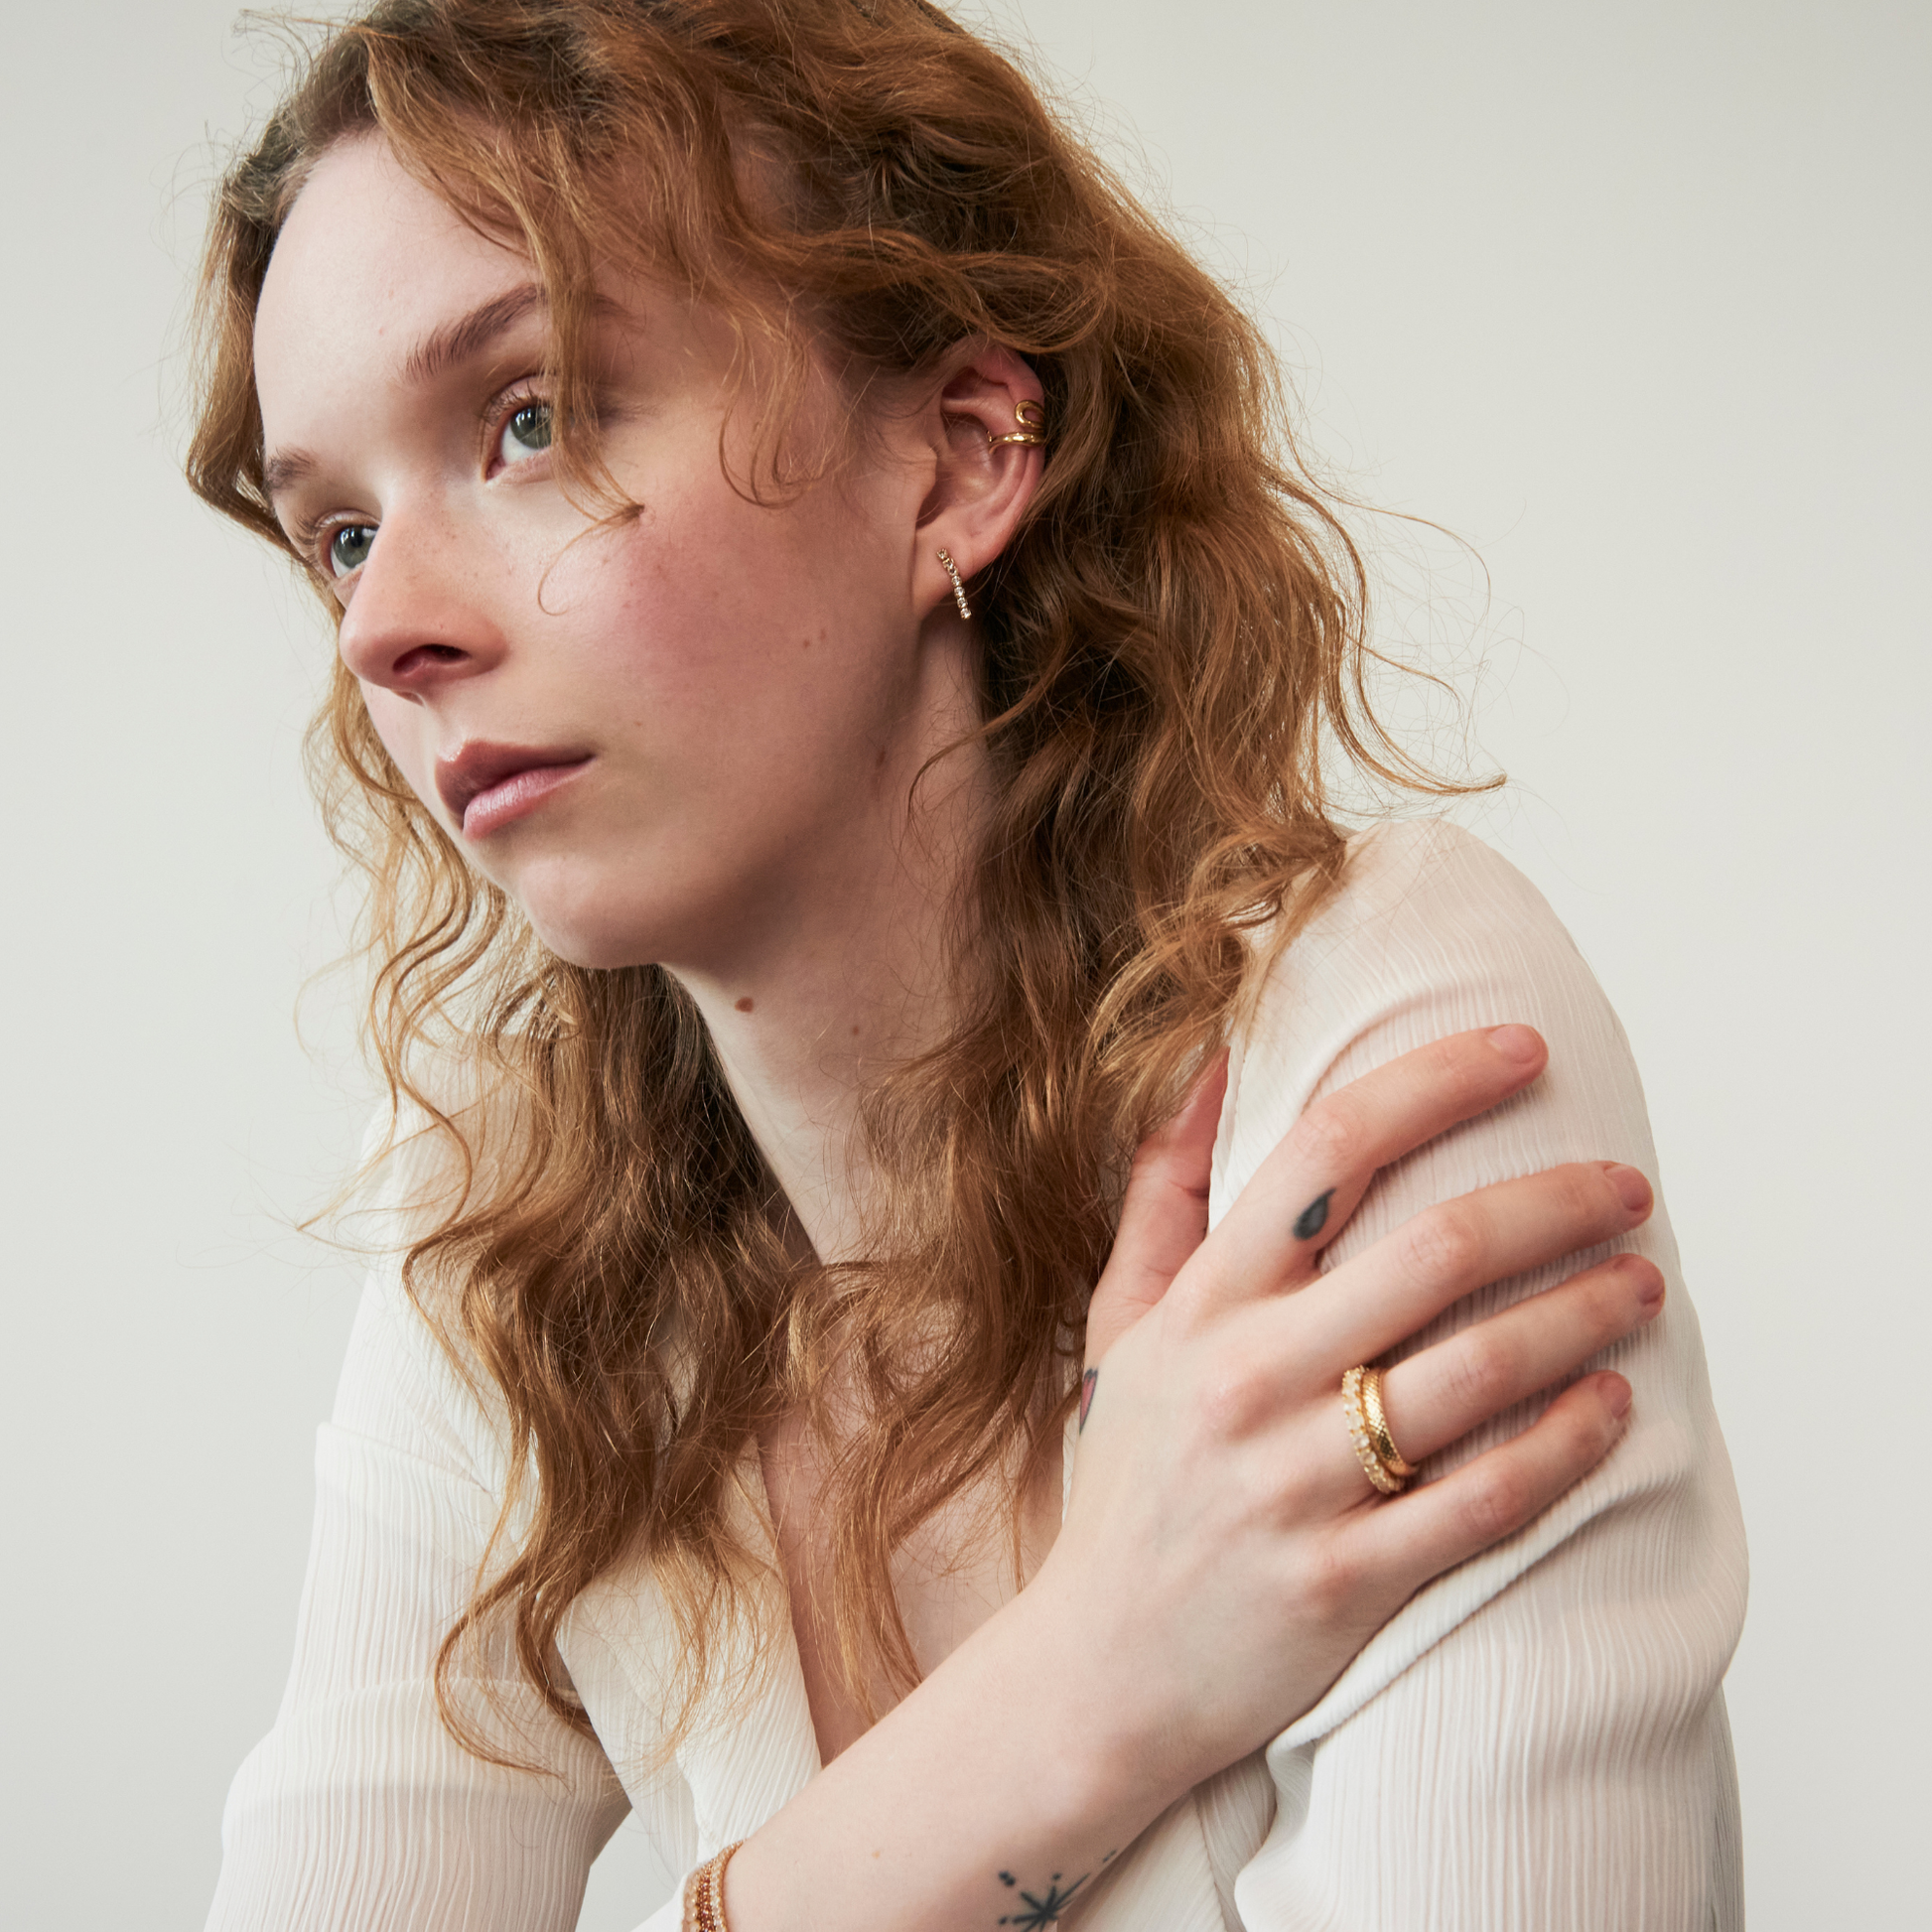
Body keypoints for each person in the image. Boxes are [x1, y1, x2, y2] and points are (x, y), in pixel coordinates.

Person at [191, 3, 1745, 1926]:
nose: (387, 630)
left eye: (530, 420)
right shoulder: (512, 1230)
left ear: (953, 461)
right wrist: (1078, 1691)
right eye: (337, 531)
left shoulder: (1365, 1024)